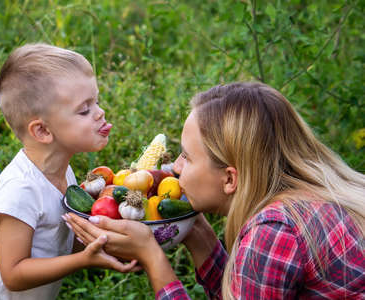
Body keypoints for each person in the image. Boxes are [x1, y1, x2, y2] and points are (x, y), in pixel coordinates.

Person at [65, 82, 365, 299]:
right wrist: (198, 236)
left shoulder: (274, 232)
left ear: (230, 180)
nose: (176, 168)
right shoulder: (316, 200)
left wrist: (153, 259)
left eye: (187, 156)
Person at [0, 43, 138, 300]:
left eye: (96, 102)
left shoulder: (63, 174)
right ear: (42, 131)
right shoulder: (21, 190)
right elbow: (13, 273)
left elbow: (60, 237)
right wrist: (84, 260)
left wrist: (108, 242)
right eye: (84, 109)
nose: (100, 113)